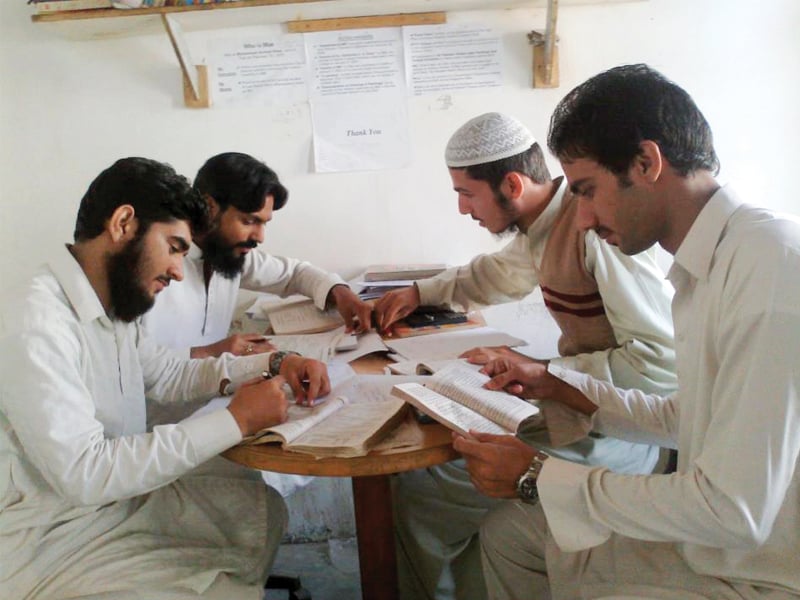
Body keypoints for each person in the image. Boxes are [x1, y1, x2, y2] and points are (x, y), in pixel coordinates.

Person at [462, 64, 800, 599]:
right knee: (510, 537)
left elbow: (734, 511)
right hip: (716, 544)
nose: (584, 219)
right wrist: (559, 385)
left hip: (759, 571)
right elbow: (689, 415)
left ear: (646, 162)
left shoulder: (771, 266)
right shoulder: (709, 261)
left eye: (588, 191)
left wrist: (538, 478)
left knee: (531, 518)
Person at [376, 113, 678, 600]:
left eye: (466, 193)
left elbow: (659, 365)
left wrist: (547, 372)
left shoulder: (597, 232)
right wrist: (419, 291)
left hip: (623, 433)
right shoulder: (544, 224)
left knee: (422, 490)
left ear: (511, 184)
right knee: (443, 466)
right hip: (578, 408)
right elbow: (493, 275)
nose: (460, 209)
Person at [0, 157, 330, 599]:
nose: (179, 270)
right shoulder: (34, 319)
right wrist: (236, 421)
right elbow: (84, 473)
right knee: (223, 578)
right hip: (52, 537)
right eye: (174, 247)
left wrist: (273, 364)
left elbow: (168, 374)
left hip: (111, 505)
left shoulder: (112, 303)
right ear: (123, 223)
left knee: (256, 503)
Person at [142, 151, 372, 360]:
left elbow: (294, 274)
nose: (260, 237)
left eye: (264, 223)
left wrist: (340, 293)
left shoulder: (229, 255)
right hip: (164, 405)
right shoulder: (152, 269)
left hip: (221, 394)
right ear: (209, 207)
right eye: (249, 221)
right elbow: (134, 365)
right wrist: (211, 352)